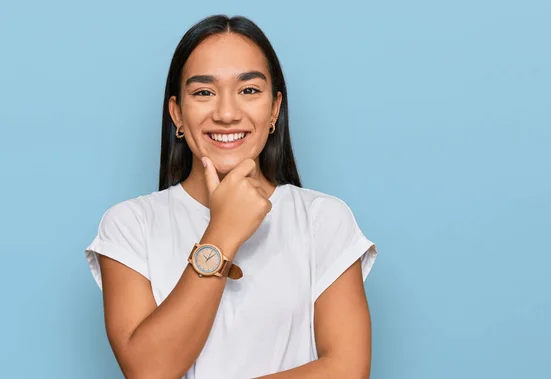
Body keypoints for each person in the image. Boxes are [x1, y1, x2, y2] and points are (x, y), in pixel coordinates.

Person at [85, 14, 378, 379]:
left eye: (249, 90)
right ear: (177, 113)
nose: (226, 113)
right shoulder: (130, 225)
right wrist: (223, 231)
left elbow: (348, 369)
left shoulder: (323, 219)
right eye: (203, 92)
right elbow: (148, 370)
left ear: (274, 109)